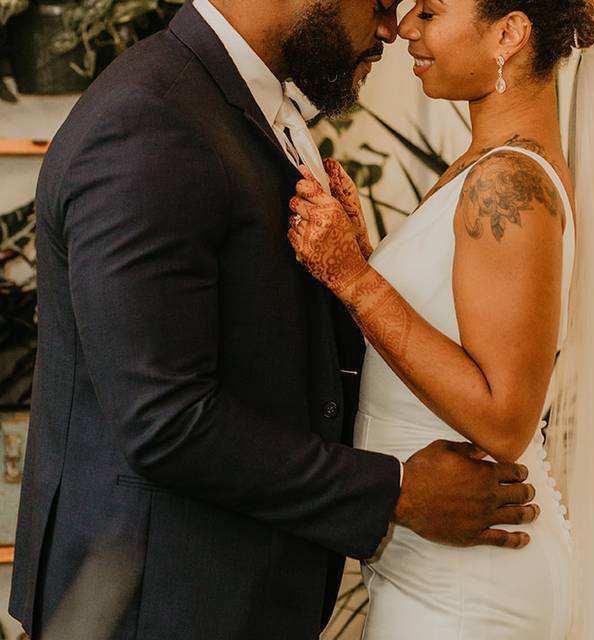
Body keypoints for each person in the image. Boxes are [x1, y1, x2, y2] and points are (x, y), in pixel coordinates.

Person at [10, 1, 539, 638]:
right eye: (378, 2)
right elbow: (163, 420)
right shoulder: (149, 120)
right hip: (157, 602)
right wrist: (395, 490)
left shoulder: (249, 106)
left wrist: (358, 272)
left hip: (233, 593)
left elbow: (274, 342)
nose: (389, 29)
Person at [288, 0, 594, 638]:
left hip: (472, 587)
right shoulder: (488, 165)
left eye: (433, 10)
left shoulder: (508, 185)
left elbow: (505, 417)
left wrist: (355, 281)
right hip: (438, 560)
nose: (407, 26)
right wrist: (364, 259)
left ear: (509, 32)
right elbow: (453, 333)